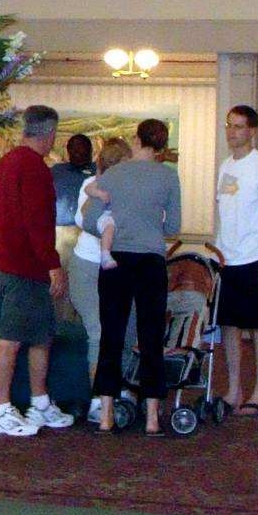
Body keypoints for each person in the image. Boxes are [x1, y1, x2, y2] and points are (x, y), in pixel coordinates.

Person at [88, 119, 182, 437]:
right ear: (162, 144)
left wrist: (114, 227)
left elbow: (90, 219)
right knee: (152, 337)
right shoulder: (169, 177)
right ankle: (153, 417)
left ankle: (106, 415)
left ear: (136, 139)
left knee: (111, 336)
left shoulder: (113, 174)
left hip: (114, 261)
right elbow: (173, 227)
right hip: (151, 262)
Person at [0, 104, 73, 437]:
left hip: (13, 262)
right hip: (25, 267)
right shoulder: (34, 168)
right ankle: (1, 410)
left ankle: (39, 402)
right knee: (10, 340)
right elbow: (37, 222)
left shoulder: (6, 163)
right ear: (50, 135)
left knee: (40, 337)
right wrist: (52, 264)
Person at [217, 105, 258, 416]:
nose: (232, 132)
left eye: (239, 127)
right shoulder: (225, 165)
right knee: (229, 326)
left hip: (254, 257)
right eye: (229, 125)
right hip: (226, 261)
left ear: (252, 131)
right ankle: (233, 389)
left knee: (257, 327)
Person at [69, 138, 129, 425]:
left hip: (120, 268)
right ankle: (98, 398)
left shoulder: (131, 191)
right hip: (89, 266)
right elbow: (86, 221)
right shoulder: (90, 187)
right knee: (99, 332)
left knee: (126, 331)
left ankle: (122, 393)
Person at [50, 133, 94, 264]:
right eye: (73, 149)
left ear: (90, 151)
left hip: (89, 233)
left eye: (82, 148)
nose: (77, 152)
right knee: (60, 278)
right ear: (68, 151)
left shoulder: (99, 171)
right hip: (62, 234)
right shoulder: (57, 171)